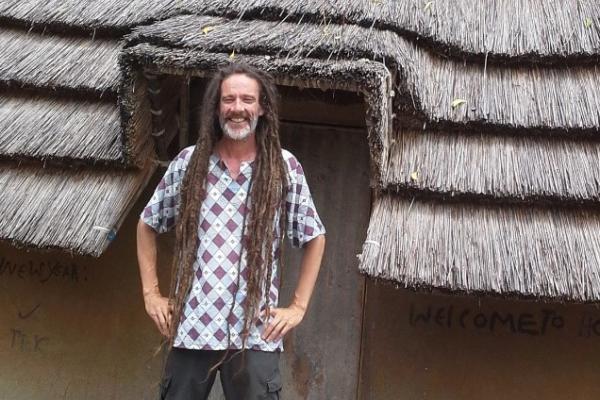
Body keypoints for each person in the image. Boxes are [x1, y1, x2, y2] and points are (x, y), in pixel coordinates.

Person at [136, 63, 326, 400]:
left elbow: (314, 237)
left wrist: (297, 307)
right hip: (192, 326)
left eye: (247, 100)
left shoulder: (284, 167)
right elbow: (147, 223)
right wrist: (151, 294)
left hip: (255, 333)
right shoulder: (189, 163)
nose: (238, 108)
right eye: (229, 99)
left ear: (262, 107)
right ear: (217, 107)